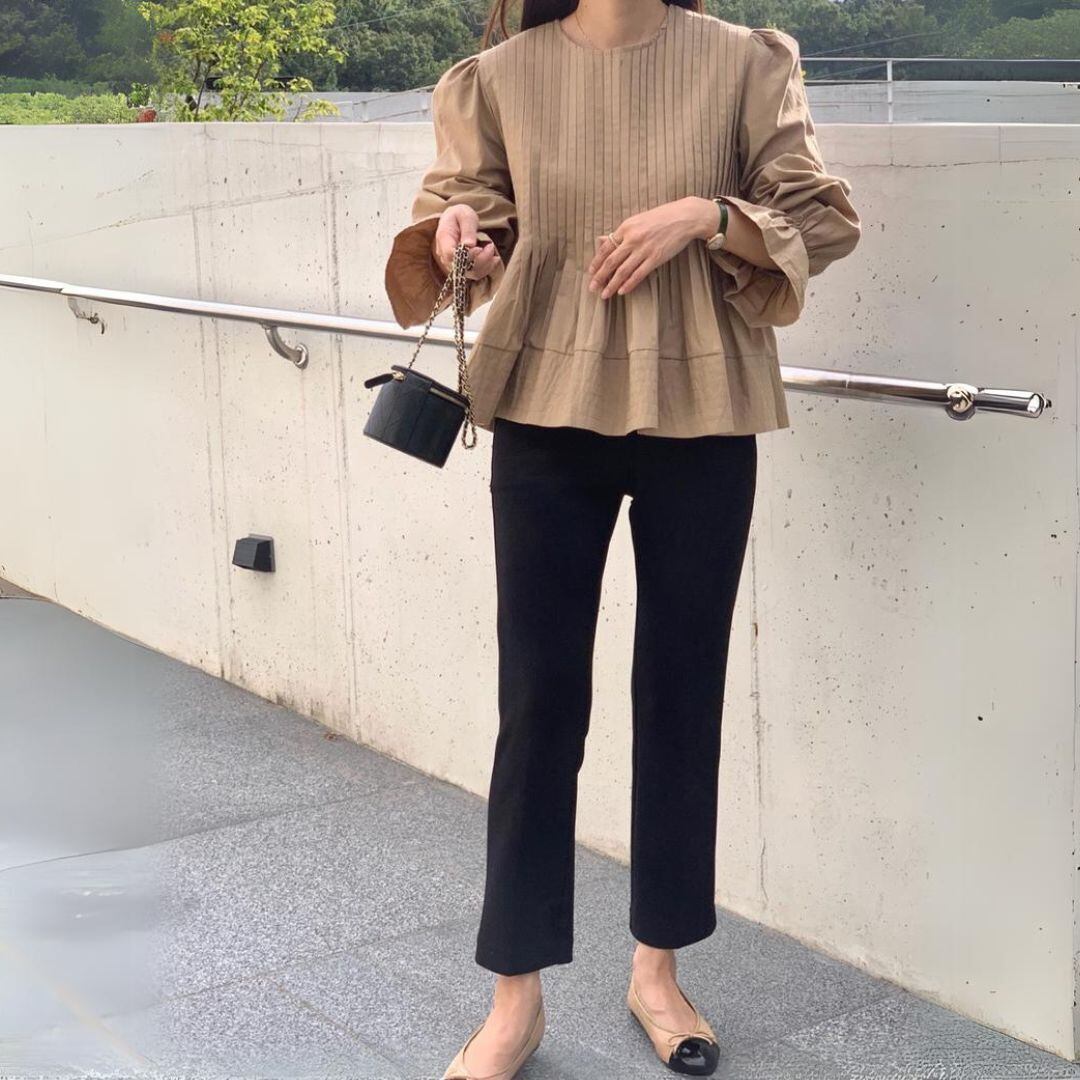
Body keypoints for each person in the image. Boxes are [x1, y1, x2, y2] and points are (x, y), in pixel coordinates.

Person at [384, 0, 861, 1075]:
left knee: (683, 694)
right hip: (545, 406)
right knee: (537, 701)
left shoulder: (745, 63)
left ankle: (658, 971)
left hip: (706, 408)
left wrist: (707, 215)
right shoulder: (499, 76)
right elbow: (466, 215)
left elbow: (819, 218)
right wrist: (464, 236)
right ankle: (515, 998)